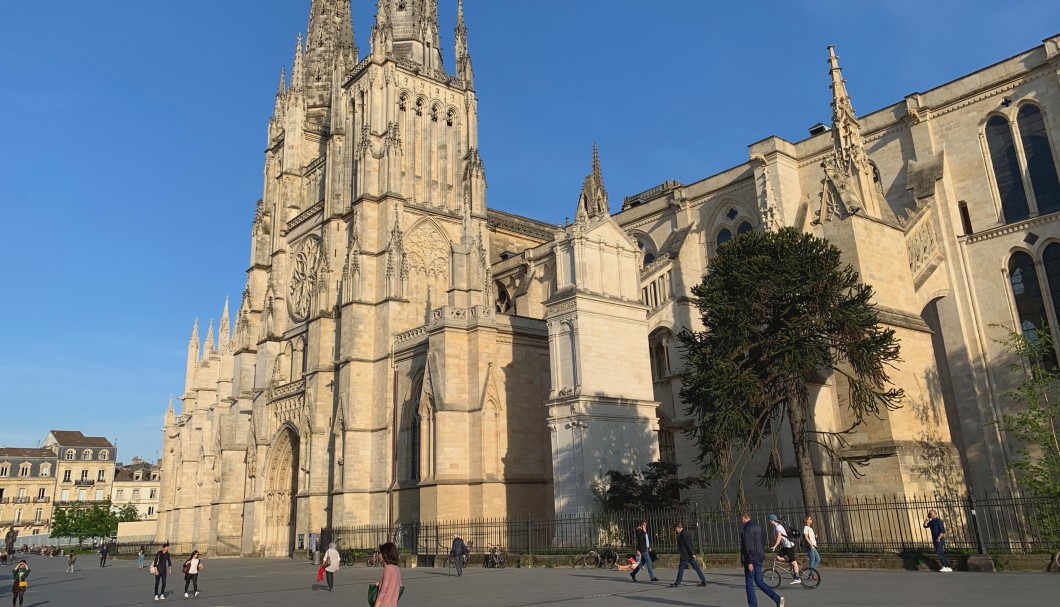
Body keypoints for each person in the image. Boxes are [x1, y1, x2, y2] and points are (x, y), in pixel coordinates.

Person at [740, 513, 784, 607]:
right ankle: (777, 598)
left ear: (743, 518)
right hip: (759, 557)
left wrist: (750, 561)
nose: (740, 521)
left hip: (751, 559)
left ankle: (753, 605)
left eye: (741, 519)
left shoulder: (747, 529)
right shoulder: (758, 527)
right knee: (759, 581)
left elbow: (749, 546)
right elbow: (763, 542)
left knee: (749, 583)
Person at [670, 522, 708, 587]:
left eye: (675, 529)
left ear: (678, 528)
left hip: (685, 555)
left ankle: (677, 583)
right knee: (696, 568)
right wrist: (692, 553)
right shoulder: (685, 532)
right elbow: (690, 543)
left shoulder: (682, 534)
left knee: (681, 569)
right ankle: (703, 581)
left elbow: (687, 544)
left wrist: (692, 553)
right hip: (689, 555)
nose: (675, 531)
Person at [767, 514, 801, 584]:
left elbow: (779, 538)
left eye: (770, 520)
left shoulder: (778, 527)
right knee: (778, 557)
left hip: (789, 546)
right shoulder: (776, 526)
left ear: (772, 520)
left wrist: (775, 546)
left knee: (794, 562)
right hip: (786, 546)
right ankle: (790, 563)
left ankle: (797, 578)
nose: (769, 522)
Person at [373, 542, 403, 607]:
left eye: (380, 553)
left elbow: (383, 590)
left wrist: (376, 605)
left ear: (385, 554)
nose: (379, 555)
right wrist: (380, 582)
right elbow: (399, 585)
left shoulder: (388, 569)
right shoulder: (396, 568)